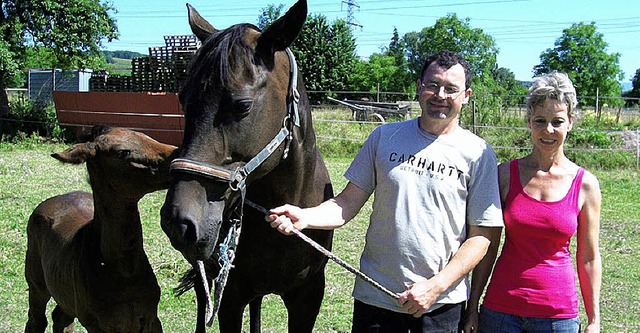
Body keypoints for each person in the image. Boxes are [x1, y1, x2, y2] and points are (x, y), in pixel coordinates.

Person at [266, 50, 504, 332]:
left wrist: (435, 287)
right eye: (432, 84)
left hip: (440, 304)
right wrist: (305, 217)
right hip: (375, 298)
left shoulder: (478, 153)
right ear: (419, 87)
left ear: (466, 95)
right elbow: (347, 202)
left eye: (451, 89)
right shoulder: (384, 137)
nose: (440, 94)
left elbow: (481, 239)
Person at [463, 71, 602, 333]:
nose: (548, 130)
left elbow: (589, 257)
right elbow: (487, 245)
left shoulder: (586, 185)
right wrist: (472, 308)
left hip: (557, 316)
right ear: (528, 121)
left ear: (570, 122)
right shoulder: (504, 175)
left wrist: (594, 320)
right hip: (500, 311)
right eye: (540, 120)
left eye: (557, 121)